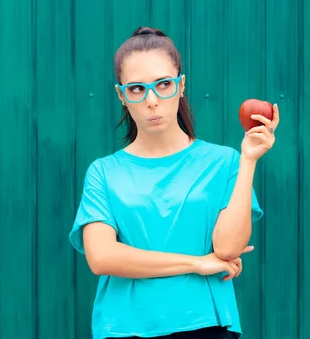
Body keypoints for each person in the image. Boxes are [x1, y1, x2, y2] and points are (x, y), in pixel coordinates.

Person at [69, 26, 280, 339]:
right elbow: (101, 257)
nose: (152, 100)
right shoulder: (104, 172)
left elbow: (228, 248)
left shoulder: (224, 162)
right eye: (137, 89)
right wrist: (196, 263)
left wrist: (248, 159)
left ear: (181, 86)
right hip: (124, 328)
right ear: (121, 95)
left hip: (207, 325)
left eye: (163, 84)